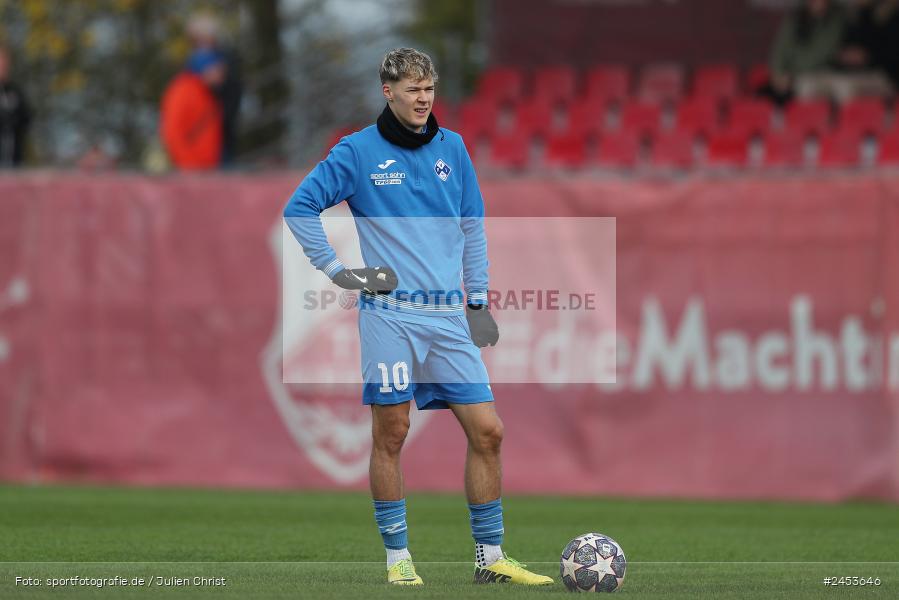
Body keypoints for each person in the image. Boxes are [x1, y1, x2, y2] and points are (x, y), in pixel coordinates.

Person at [283, 48, 553, 587]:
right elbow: (300, 208)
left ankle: (491, 558)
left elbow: (472, 227)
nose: (424, 99)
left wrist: (477, 301)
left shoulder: (453, 148)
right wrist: (339, 273)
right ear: (388, 92)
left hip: (448, 318)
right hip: (391, 315)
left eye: (429, 89)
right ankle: (398, 558)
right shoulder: (357, 152)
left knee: (488, 432)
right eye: (413, 90)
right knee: (393, 431)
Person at [186, 13, 242, 167]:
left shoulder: (221, 58)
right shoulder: (198, 59)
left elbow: (221, 82)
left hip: (219, 121)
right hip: (207, 123)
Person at [766, 0, 846, 103]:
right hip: (797, 74)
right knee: (804, 88)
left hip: (825, 71)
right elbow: (780, 49)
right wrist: (779, 73)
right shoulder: (795, 20)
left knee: (843, 87)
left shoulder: (836, 19)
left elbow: (827, 50)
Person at [160, 49, 226, 170]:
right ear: (205, 68)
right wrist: (188, 165)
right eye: (217, 69)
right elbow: (172, 131)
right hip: (191, 170)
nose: (222, 75)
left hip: (206, 169)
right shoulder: (183, 90)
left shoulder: (206, 92)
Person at [0, 45, 32, 168]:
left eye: (5, 63)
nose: (3, 67)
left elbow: (26, 118)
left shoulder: (15, 91)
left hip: (13, 160)